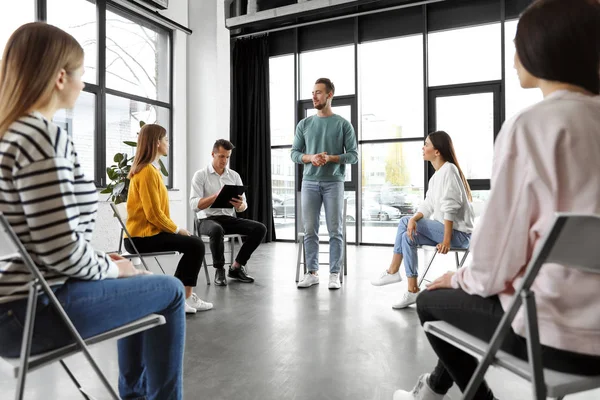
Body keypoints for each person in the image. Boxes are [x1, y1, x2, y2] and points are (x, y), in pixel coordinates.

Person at [393, 1, 600, 399]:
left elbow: (494, 262)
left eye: (517, 44)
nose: (514, 58)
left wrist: (455, 277)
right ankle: (431, 390)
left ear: (543, 47)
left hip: (557, 337)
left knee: (433, 301)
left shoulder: (533, 126)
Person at [0, 22, 186, 399]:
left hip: (18, 306)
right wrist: (110, 267)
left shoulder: (12, 135)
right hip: (34, 312)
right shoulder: (41, 137)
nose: (84, 84)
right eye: (82, 74)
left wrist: (103, 259)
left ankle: (133, 394)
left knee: (131, 276)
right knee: (171, 289)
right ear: (60, 77)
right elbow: (59, 251)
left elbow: (42, 240)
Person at [371, 131, 474, 309]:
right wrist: (414, 219)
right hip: (445, 231)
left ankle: (393, 271)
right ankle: (412, 291)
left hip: (459, 236)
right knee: (407, 236)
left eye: (426, 144)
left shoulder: (449, 169)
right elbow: (427, 206)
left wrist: (447, 240)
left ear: (437, 151)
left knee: (404, 222)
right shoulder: (436, 177)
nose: (423, 147)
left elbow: (451, 206)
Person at [125, 123, 212, 314]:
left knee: (193, 243)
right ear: (156, 143)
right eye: (166, 140)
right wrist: (177, 229)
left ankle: (180, 296)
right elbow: (154, 214)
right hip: (142, 239)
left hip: (145, 236)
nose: (168, 144)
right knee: (195, 245)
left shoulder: (151, 170)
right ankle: (182, 297)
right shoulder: (147, 171)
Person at [291, 78, 358, 290]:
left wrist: (331, 159)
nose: (314, 96)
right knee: (309, 229)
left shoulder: (343, 124)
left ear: (330, 95)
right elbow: (294, 154)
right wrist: (311, 158)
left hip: (333, 184)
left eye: (318, 92)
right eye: (313, 92)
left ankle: (334, 274)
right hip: (309, 183)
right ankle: (311, 273)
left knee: (335, 230)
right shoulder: (304, 124)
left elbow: (354, 156)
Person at [189, 139, 267, 286]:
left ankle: (236, 267)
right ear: (213, 154)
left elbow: (244, 205)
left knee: (260, 228)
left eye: (227, 157)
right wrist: (215, 197)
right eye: (221, 156)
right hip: (206, 220)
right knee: (217, 229)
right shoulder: (200, 175)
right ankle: (219, 269)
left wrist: (240, 205)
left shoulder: (234, 176)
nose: (224, 160)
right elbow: (194, 205)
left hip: (228, 219)